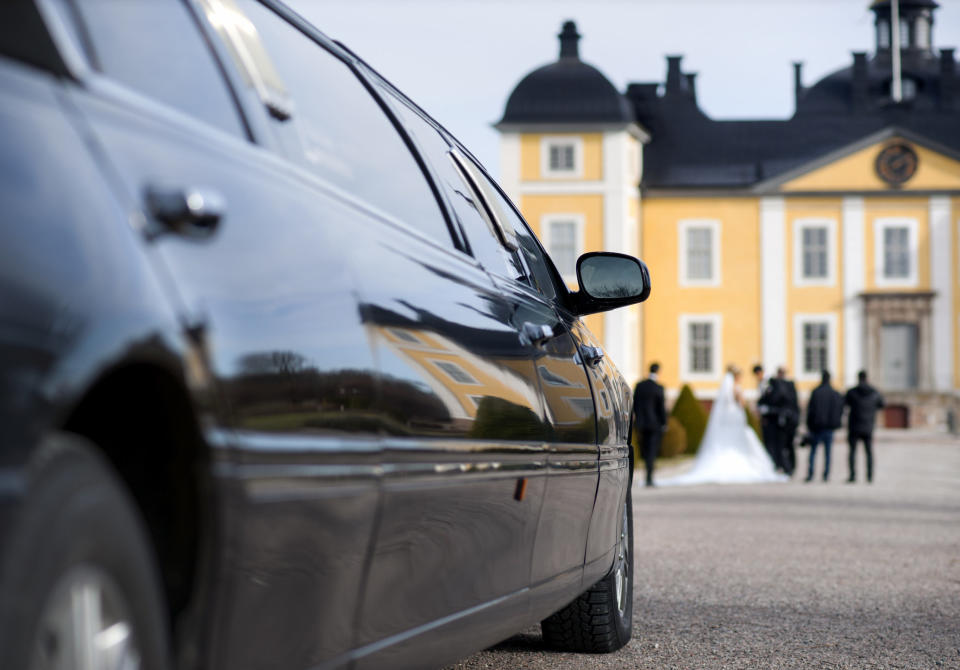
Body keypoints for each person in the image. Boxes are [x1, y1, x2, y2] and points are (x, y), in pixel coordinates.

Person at [659, 365, 786, 485]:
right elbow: (741, 403)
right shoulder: (736, 388)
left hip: (728, 420)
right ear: (736, 376)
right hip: (735, 418)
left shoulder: (725, 388)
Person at [844, 370, 884, 483]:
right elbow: (881, 404)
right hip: (868, 425)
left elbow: (845, 404)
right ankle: (869, 476)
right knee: (869, 452)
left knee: (852, 452)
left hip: (854, 426)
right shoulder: (874, 392)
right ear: (867, 378)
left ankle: (852, 476)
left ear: (858, 378)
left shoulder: (852, 392)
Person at [804, 370, 844, 482]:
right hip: (829, 427)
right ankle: (826, 475)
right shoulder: (835, 393)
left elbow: (810, 410)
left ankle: (811, 474)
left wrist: (809, 425)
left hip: (816, 426)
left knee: (813, 452)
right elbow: (839, 410)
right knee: (827, 453)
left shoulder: (816, 392)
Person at [633, 362, 667, 487]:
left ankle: (647, 476)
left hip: (641, 424)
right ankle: (649, 478)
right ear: (658, 371)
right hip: (654, 424)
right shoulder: (659, 387)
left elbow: (634, 404)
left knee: (645, 450)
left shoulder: (639, 386)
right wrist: (664, 423)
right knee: (651, 451)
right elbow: (661, 408)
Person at [757, 365, 790, 472]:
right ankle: (777, 465)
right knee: (772, 445)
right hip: (771, 420)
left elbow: (781, 404)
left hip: (776, 420)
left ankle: (784, 466)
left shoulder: (778, 387)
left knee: (778, 445)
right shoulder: (771, 386)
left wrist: (769, 410)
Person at [778, 367, 800, 476]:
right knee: (789, 445)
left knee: (785, 445)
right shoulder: (790, 386)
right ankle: (790, 466)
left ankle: (788, 467)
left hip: (787, 421)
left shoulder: (781, 386)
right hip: (791, 420)